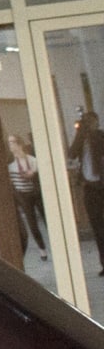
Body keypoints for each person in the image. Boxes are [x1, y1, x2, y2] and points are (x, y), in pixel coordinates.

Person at [68, 110, 104, 274]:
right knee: (97, 228)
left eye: (90, 122)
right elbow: (71, 154)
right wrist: (80, 134)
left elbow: (99, 144)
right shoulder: (81, 140)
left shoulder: (100, 136)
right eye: (86, 122)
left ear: (96, 122)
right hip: (89, 188)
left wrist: (90, 134)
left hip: (102, 186)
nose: (89, 125)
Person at [6, 134, 48, 259]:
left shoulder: (32, 160)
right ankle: (42, 249)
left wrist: (33, 174)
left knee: (46, 219)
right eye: (9, 143)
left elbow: (39, 175)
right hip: (23, 195)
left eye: (12, 142)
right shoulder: (10, 164)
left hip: (35, 193)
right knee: (32, 224)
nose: (10, 145)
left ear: (19, 144)